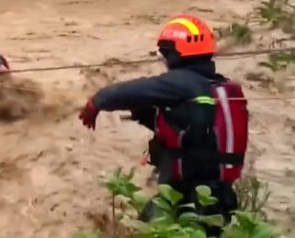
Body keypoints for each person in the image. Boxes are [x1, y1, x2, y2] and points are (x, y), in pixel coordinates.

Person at [78, 14, 248, 234]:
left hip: (187, 198)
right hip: (222, 198)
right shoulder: (223, 88)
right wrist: (148, 117)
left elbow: (125, 92)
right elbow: (198, 131)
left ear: (174, 54)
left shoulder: (181, 83)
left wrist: (96, 102)